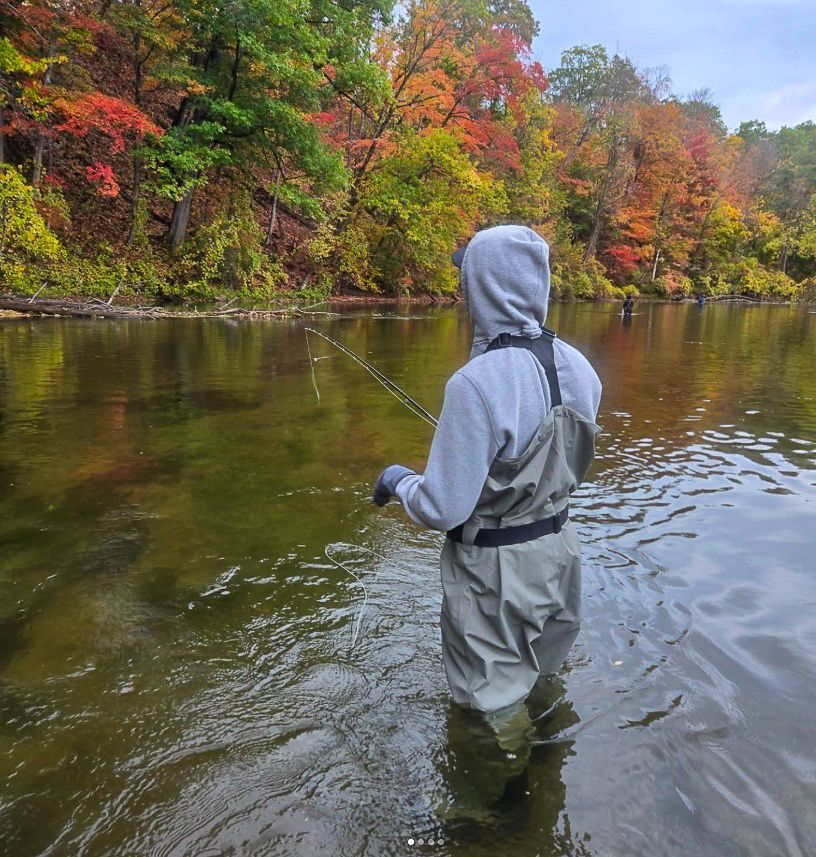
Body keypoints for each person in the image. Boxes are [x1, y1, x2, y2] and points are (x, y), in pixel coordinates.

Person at [372, 225, 602, 713]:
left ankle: (494, 786)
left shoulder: (474, 383)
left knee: (490, 714)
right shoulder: (581, 367)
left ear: (482, 286)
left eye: (466, 278)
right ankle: (546, 780)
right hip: (562, 554)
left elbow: (443, 507)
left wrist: (399, 480)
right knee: (544, 686)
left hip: (495, 573)